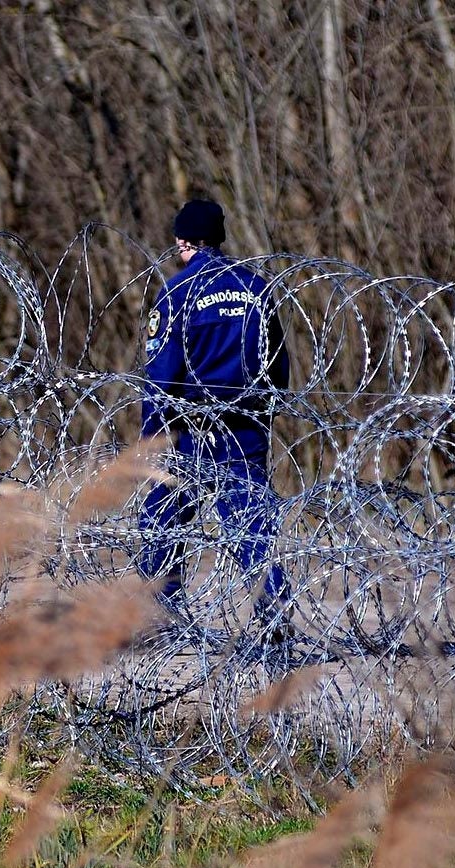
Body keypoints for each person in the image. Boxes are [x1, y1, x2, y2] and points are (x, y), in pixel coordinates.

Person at [137, 198, 292, 644]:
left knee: (164, 516)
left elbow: (162, 372)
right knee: (250, 521)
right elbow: (276, 365)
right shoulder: (256, 288)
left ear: (183, 240)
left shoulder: (178, 291)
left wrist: (151, 436)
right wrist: (265, 410)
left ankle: (162, 614)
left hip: (190, 427)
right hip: (244, 424)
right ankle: (274, 607)